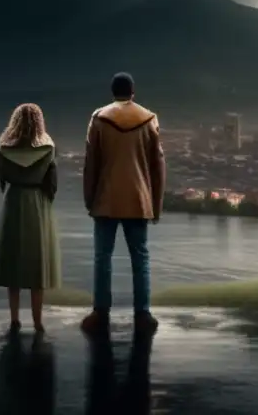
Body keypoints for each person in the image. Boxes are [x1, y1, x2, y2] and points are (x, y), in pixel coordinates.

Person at [80, 72, 166, 335]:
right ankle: (143, 313)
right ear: (133, 92)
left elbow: (90, 163)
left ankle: (100, 312)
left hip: (105, 199)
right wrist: (156, 204)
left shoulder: (98, 119)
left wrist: (89, 199)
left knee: (102, 257)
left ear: (112, 92)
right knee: (140, 257)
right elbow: (158, 166)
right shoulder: (149, 120)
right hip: (139, 200)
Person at [0, 103, 62, 334]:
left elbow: (2, 179)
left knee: (13, 263)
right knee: (37, 265)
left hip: (14, 202)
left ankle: (14, 319)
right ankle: (38, 321)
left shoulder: (3, 149)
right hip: (38, 204)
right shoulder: (48, 149)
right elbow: (52, 185)